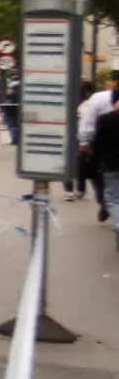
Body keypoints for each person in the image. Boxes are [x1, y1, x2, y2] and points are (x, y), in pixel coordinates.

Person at [77, 71, 119, 219]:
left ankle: (105, 203)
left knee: (98, 176)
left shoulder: (98, 98)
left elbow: (87, 121)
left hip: (101, 146)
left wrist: (84, 142)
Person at [91, 94, 119, 248]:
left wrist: (95, 163)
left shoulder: (105, 120)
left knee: (114, 199)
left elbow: (98, 144)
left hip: (112, 166)